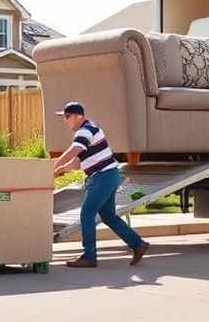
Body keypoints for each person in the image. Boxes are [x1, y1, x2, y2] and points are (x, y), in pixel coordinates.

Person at [53, 102, 150, 268]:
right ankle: (138, 244)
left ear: (78, 116)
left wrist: (52, 166)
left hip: (102, 177)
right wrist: (61, 169)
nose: (65, 120)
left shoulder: (85, 131)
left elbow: (73, 151)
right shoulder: (88, 130)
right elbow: (77, 161)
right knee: (108, 215)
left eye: (67, 116)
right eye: (64, 117)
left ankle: (89, 257)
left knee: (87, 214)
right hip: (109, 176)